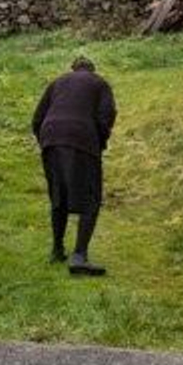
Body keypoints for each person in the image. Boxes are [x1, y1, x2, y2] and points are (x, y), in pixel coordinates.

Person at [31, 56, 116, 276]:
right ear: (92, 70)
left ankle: (57, 250)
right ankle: (79, 256)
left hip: (50, 138)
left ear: (73, 69)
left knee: (58, 196)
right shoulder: (100, 83)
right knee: (91, 198)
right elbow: (106, 117)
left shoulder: (57, 82)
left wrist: (47, 141)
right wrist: (98, 142)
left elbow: (37, 118)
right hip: (81, 138)